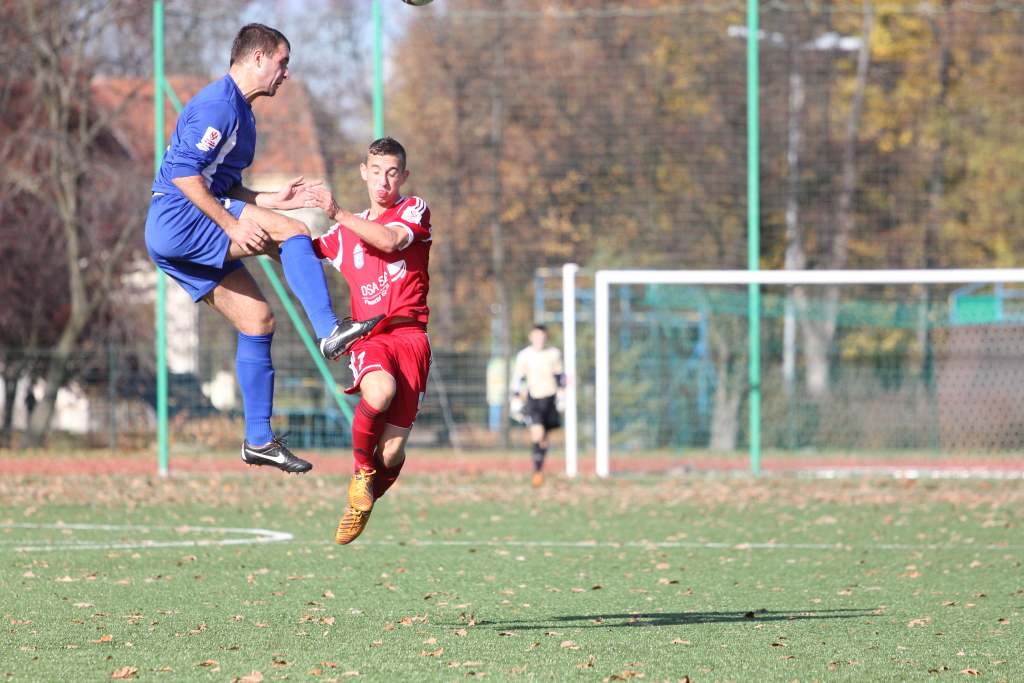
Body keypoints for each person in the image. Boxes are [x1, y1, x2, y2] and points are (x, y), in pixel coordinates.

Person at [145, 24, 380, 474]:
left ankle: (258, 440)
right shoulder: (219, 106)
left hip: (178, 229)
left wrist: (271, 200)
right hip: (179, 219)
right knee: (293, 233)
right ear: (258, 59)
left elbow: (222, 185)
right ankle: (330, 331)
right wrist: (232, 225)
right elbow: (183, 176)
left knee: (258, 320)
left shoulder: (243, 113)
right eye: (282, 62)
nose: (286, 73)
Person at [304, 137, 432, 544]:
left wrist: (337, 213)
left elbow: (390, 240)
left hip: (411, 338)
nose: (383, 181)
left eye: (392, 173)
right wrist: (253, 233)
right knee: (380, 390)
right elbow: (300, 253)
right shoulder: (343, 233)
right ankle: (362, 473)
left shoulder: (414, 209)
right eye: (376, 171)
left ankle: (364, 500)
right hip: (370, 336)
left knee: (392, 453)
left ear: (403, 176)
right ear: (364, 172)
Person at [511, 324, 565, 487]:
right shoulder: (524, 355)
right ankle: (536, 472)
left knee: (544, 438)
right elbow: (519, 378)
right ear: (531, 337)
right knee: (537, 433)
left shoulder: (554, 354)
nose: (539, 339)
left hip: (550, 399)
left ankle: (539, 470)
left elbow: (559, 376)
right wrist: (516, 398)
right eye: (536, 336)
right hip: (533, 399)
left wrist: (563, 395)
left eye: (542, 336)